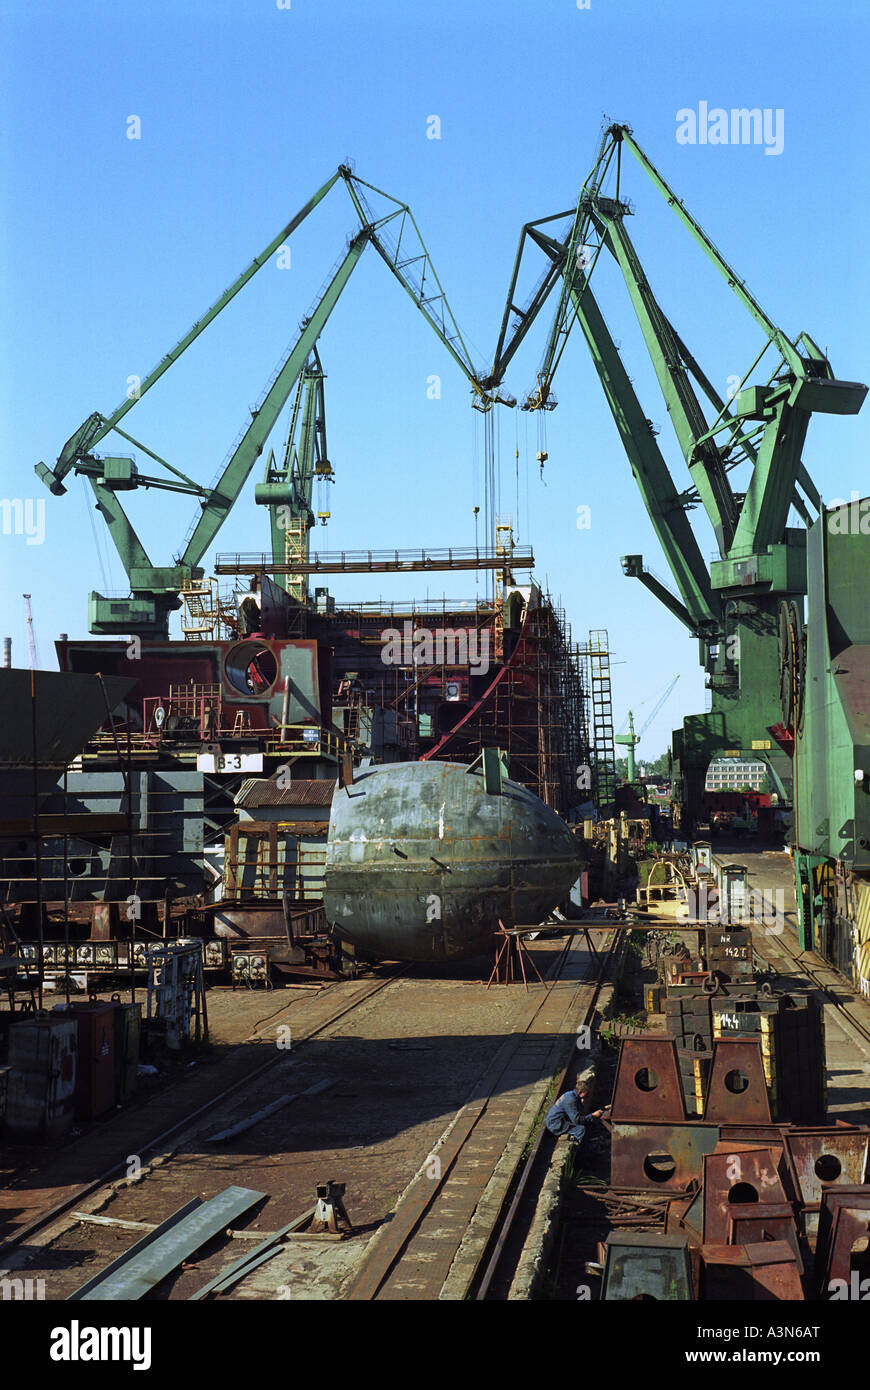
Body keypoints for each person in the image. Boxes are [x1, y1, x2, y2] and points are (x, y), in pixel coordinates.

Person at [545, 1080, 607, 1147]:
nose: (588, 1095)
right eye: (587, 1093)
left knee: (585, 1122)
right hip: (555, 1124)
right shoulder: (571, 1100)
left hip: (558, 1120)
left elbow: (579, 1113)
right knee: (581, 1129)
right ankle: (582, 1149)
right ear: (580, 1092)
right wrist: (593, 1115)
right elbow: (577, 1120)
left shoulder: (571, 1094)